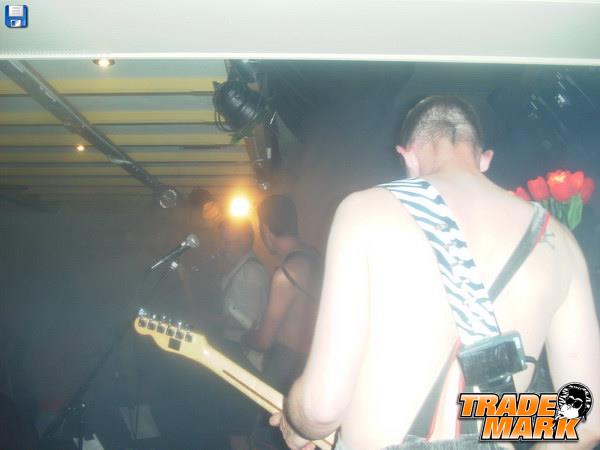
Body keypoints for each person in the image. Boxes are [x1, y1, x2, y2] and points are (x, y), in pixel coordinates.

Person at [270, 96, 600, 450]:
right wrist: (492, 419)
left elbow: (321, 408)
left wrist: (296, 420)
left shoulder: (363, 211)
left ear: (407, 156)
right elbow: (587, 419)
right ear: (485, 159)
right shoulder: (557, 240)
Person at [246, 194, 322, 394]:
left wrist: (246, 337)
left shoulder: (285, 275)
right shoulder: (316, 257)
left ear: (265, 229)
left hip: (285, 369)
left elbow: (264, 341)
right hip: (314, 364)